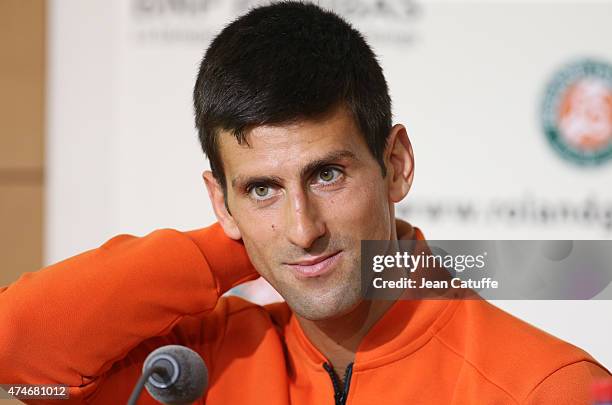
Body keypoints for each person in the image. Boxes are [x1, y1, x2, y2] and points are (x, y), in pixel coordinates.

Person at [0, 2, 609, 404]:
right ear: (221, 201)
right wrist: (239, 245)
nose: (302, 228)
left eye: (326, 175)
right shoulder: (191, 369)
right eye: (261, 188)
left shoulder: (544, 387)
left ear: (395, 166)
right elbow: (13, 350)